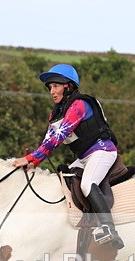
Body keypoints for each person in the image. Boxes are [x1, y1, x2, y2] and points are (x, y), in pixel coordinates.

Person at [13, 64, 124, 249]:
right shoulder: (55, 114)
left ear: (68, 86)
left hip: (102, 151)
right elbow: (47, 139)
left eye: (55, 86)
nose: (52, 91)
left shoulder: (79, 105)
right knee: (63, 183)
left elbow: (58, 137)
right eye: (49, 87)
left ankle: (109, 228)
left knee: (87, 184)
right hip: (84, 157)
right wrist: (33, 161)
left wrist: (31, 158)